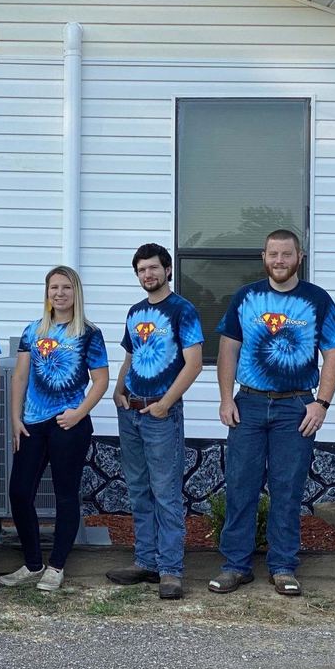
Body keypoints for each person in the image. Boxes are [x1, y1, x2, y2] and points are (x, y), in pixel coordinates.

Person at [210, 229, 335, 597]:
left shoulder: (317, 300)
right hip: (249, 404)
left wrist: (322, 403)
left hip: (296, 406)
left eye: (287, 254)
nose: (279, 261)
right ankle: (235, 566)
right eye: (273, 254)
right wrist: (226, 399)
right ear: (264, 256)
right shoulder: (246, 297)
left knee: (287, 490)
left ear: (299, 257)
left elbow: (334, 352)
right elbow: (228, 349)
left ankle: (283, 566)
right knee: (240, 486)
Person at [0, 265, 109, 591]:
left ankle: (56, 566)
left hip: (69, 423)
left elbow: (101, 381)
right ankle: (33, 563)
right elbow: (20, 376)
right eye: (54, 288)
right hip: (32, 423)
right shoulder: (33, 330)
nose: (60, 293)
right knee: (20, 492)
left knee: (65, 495)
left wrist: (79, 413)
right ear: (47, 293)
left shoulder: (89, 333)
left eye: (66, 287)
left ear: (76, 292)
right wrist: (15, 418)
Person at [107, 244, 203, 600]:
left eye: (153, 268)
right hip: (130, 411)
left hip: (161, 414)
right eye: (141, 270)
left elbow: (194, 363)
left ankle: (170, 570)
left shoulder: (183, 310)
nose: (147, 274)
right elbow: (130, 357)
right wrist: (117, 390)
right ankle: (145, 561)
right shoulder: (135, 312)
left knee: (165, 492)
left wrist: (165, 404)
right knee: (138, 489)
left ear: (168, 270)